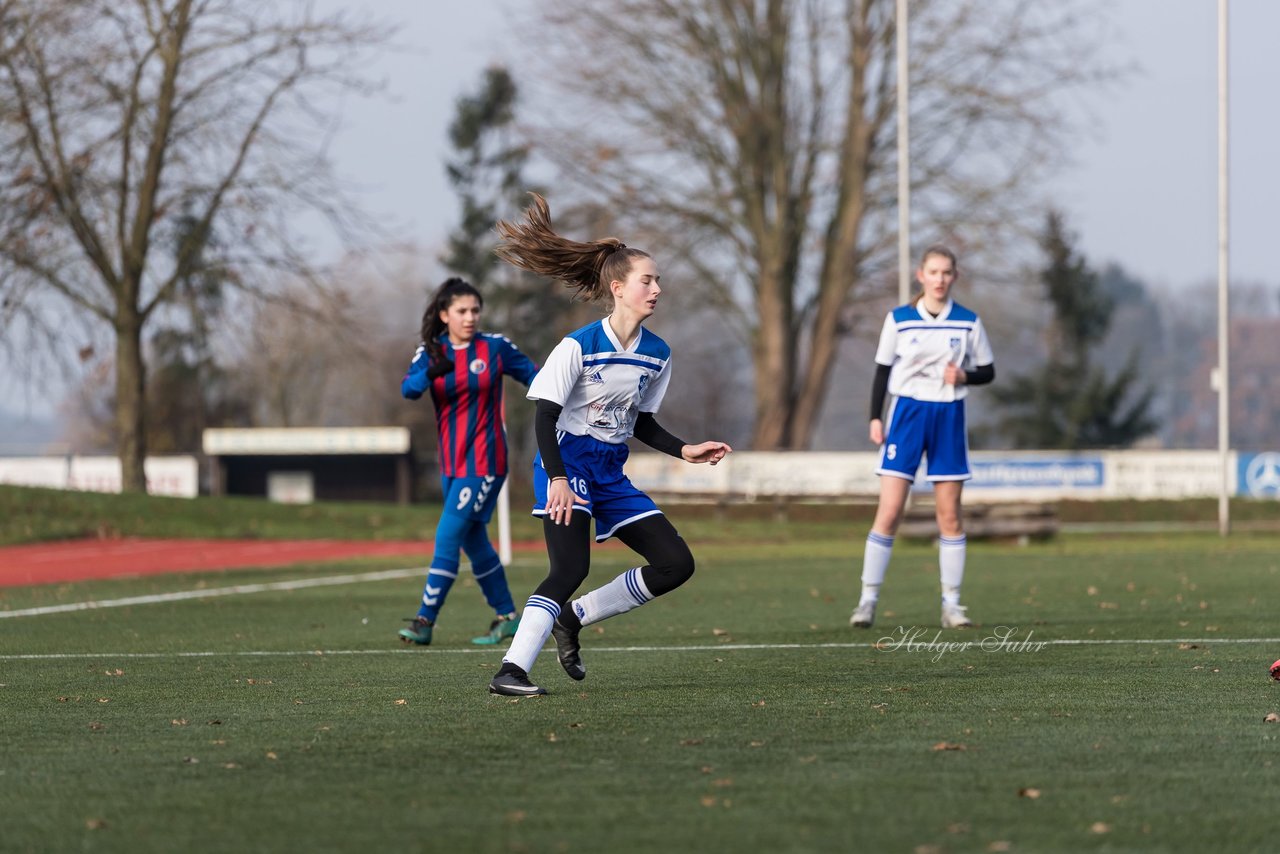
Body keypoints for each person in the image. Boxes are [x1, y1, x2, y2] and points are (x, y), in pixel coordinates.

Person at [485, 194, 732, 696]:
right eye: (648, 280)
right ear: (617, 288)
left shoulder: (658, 354)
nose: (657, 289)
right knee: (570, 567)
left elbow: (640, 423)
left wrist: (684, 450)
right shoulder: (578, 345)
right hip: (566, 460)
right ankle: (511, 670)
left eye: (659, 280)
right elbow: (545, 414)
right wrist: (556, 478)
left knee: (675, 564)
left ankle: (573, 619)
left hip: (610, 471)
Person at [850, 245, 995, 630]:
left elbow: (988, 371)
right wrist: (874, 419)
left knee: (949, 515)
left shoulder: (967, 322)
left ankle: (952, 604)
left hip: (948, 415)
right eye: (934, 271)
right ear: (921, 275)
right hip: (907, 415)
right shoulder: (899, 320)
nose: (940, 278)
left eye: (947, 272)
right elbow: (882, 371)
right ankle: (867, 600)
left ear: (954, 277)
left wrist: (965, 376)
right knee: (891, 511)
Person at [398, 278, 539, 646]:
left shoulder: (494, 348)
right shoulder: (431, 352)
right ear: (445, 315)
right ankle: (508, 617)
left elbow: (537, 378)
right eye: (462, 310)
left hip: (486, 461)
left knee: (447, 536)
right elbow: (409, 389)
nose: (470, 317)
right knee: (474, 542)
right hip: (452, 466)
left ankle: (424, 621)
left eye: (475, 310)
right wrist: (432, 371)